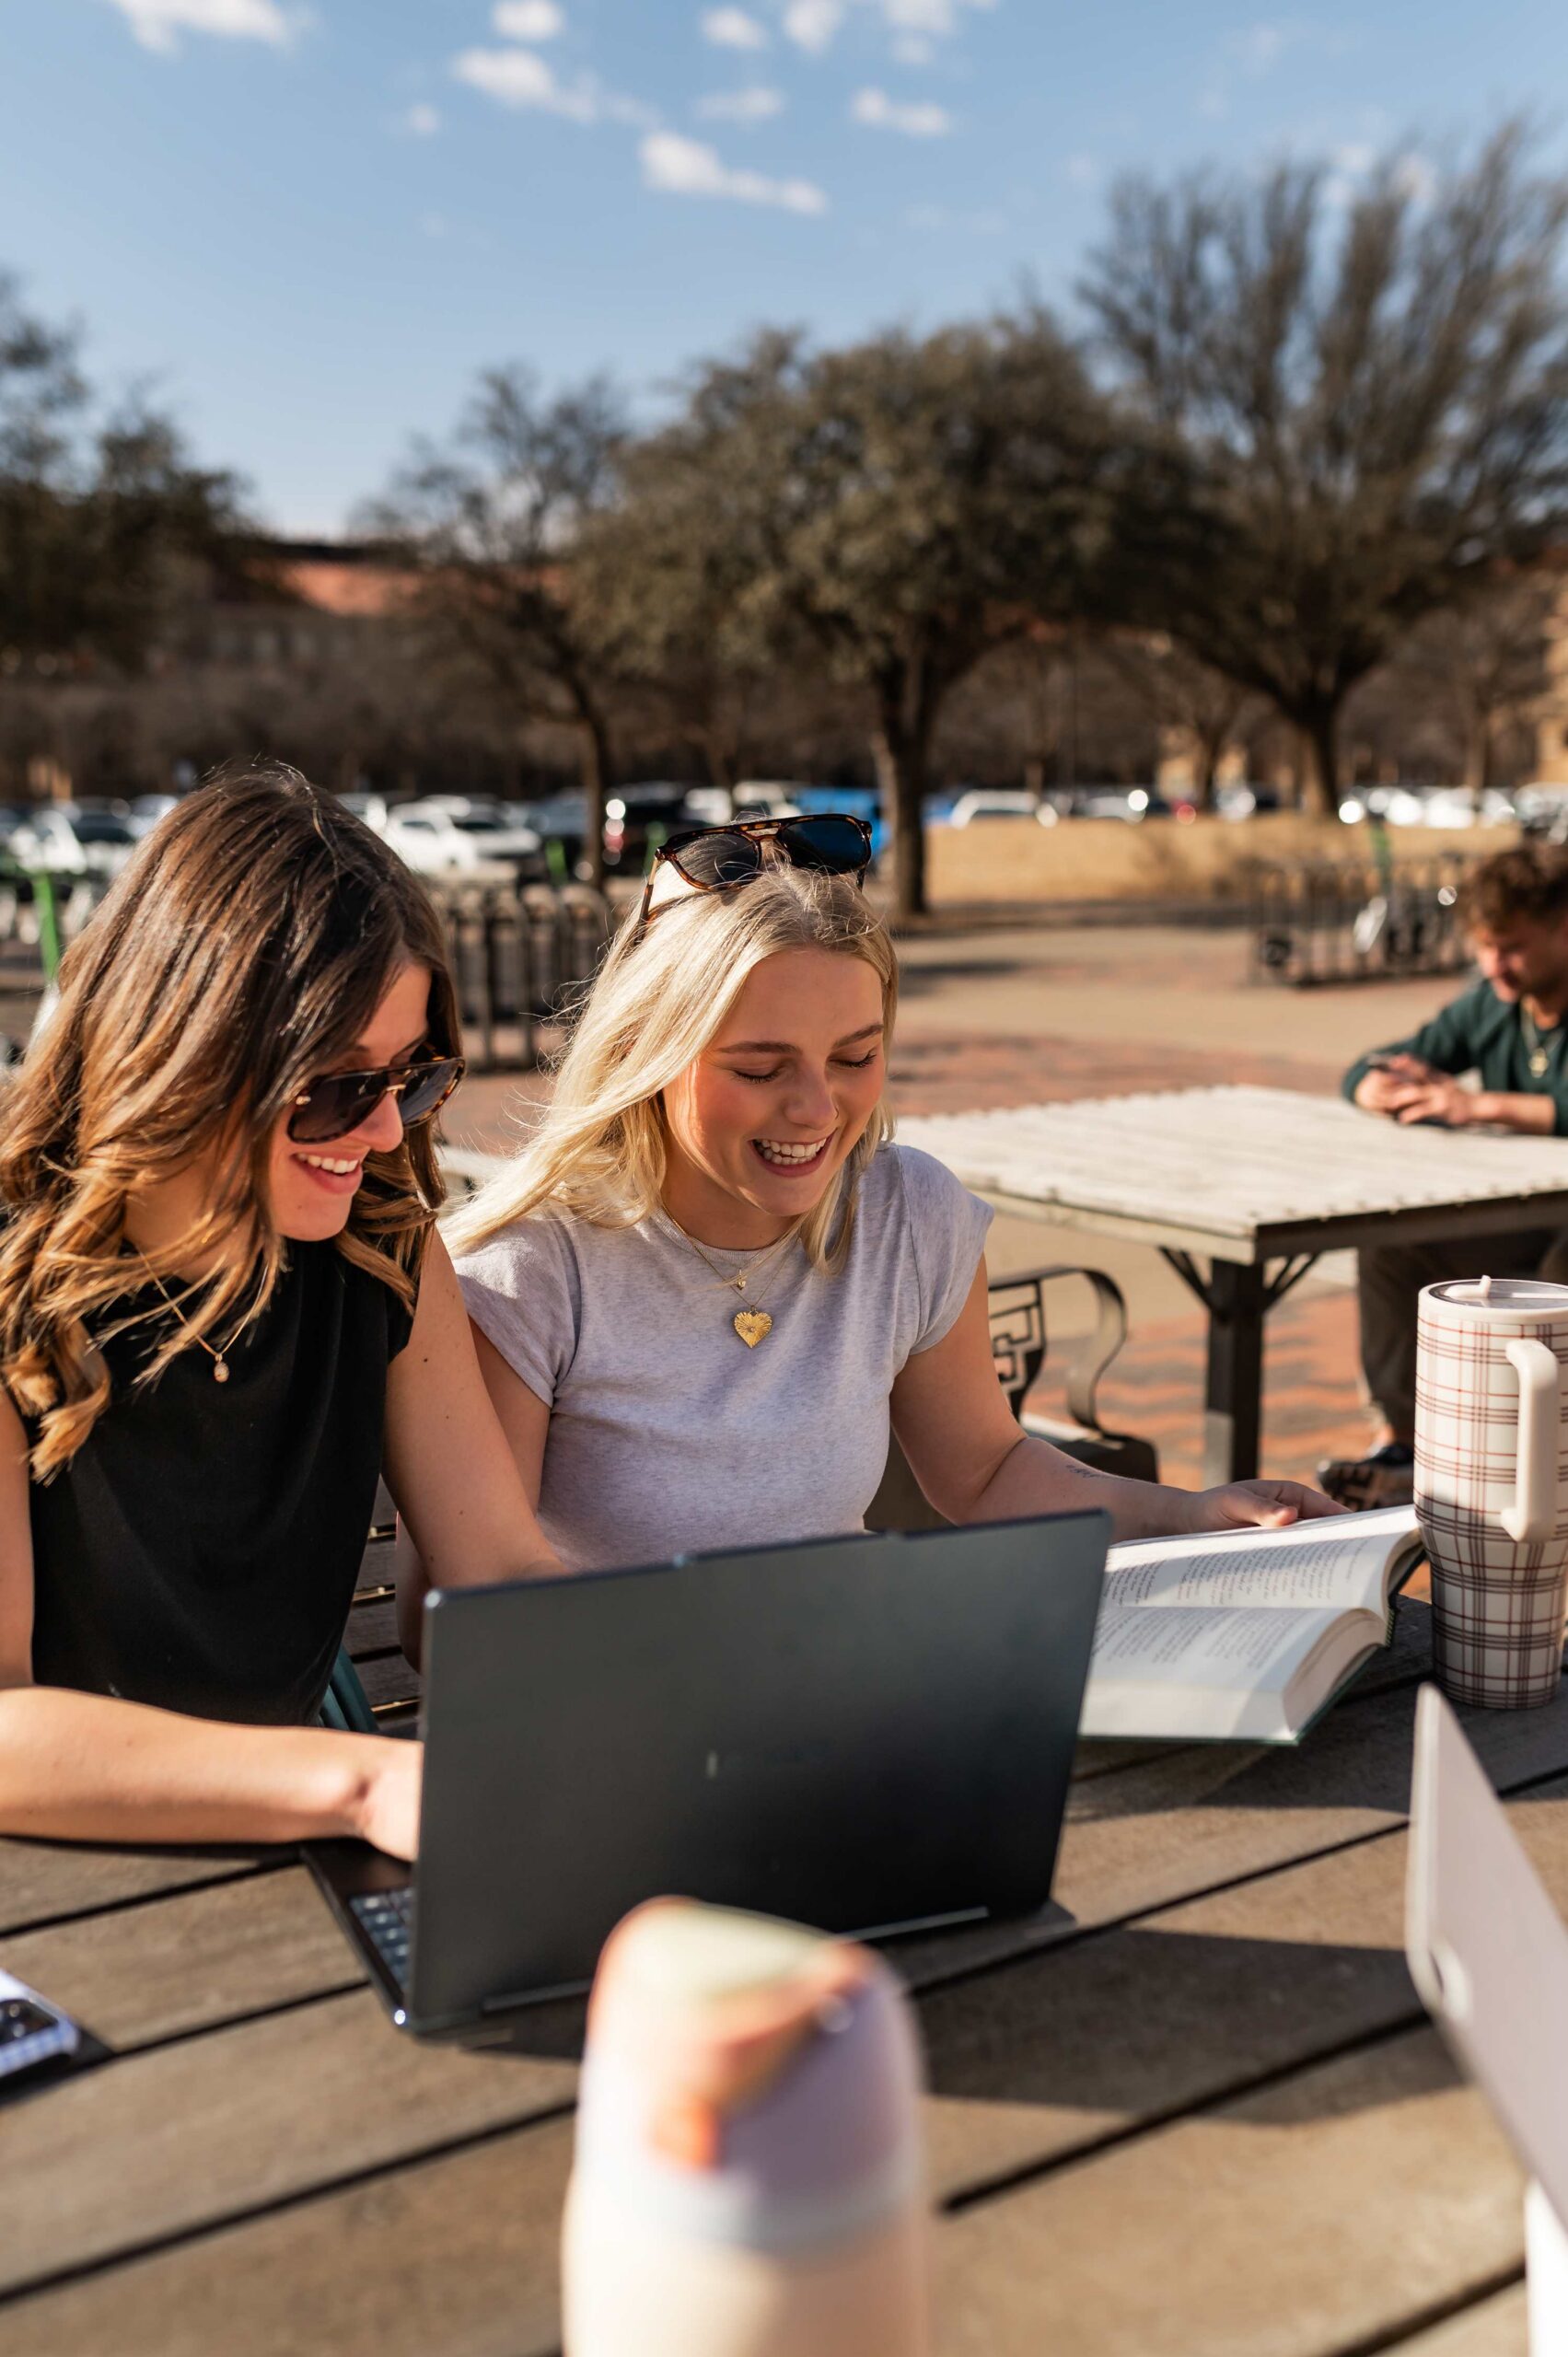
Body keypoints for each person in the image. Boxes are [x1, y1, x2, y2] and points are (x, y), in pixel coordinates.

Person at [442, 815, 1336, 1579]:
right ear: (647, 1051)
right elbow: (447, 1616)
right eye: (760, 1066)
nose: (815, 1108)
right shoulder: (528, 1269)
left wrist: (1188, 1514)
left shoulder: (906, 1212)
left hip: (845, 1705)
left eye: (855, 1057)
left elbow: (985, 1471)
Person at [0, 766, 557, 1859]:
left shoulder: (385, 1245)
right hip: (64, 1864)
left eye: (413, 1079)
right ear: (188, 1051)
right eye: (338, 1086)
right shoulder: (15, 1282)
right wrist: (358, 1782)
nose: (389, 1134)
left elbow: (498, 1573)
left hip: (300, 1814)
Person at [1325, 842, 1568, 1509]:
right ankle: (1399, 1447)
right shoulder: (1493, 1002)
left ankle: (1531, 1461)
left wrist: (1479, 1105)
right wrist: (1373, 1085)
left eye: (1512, 947)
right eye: (1485, 947)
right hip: (1517, 1224)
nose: (1494, 964)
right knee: (1392, 1248)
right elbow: (1381, 1060)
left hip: (1557, 1240)